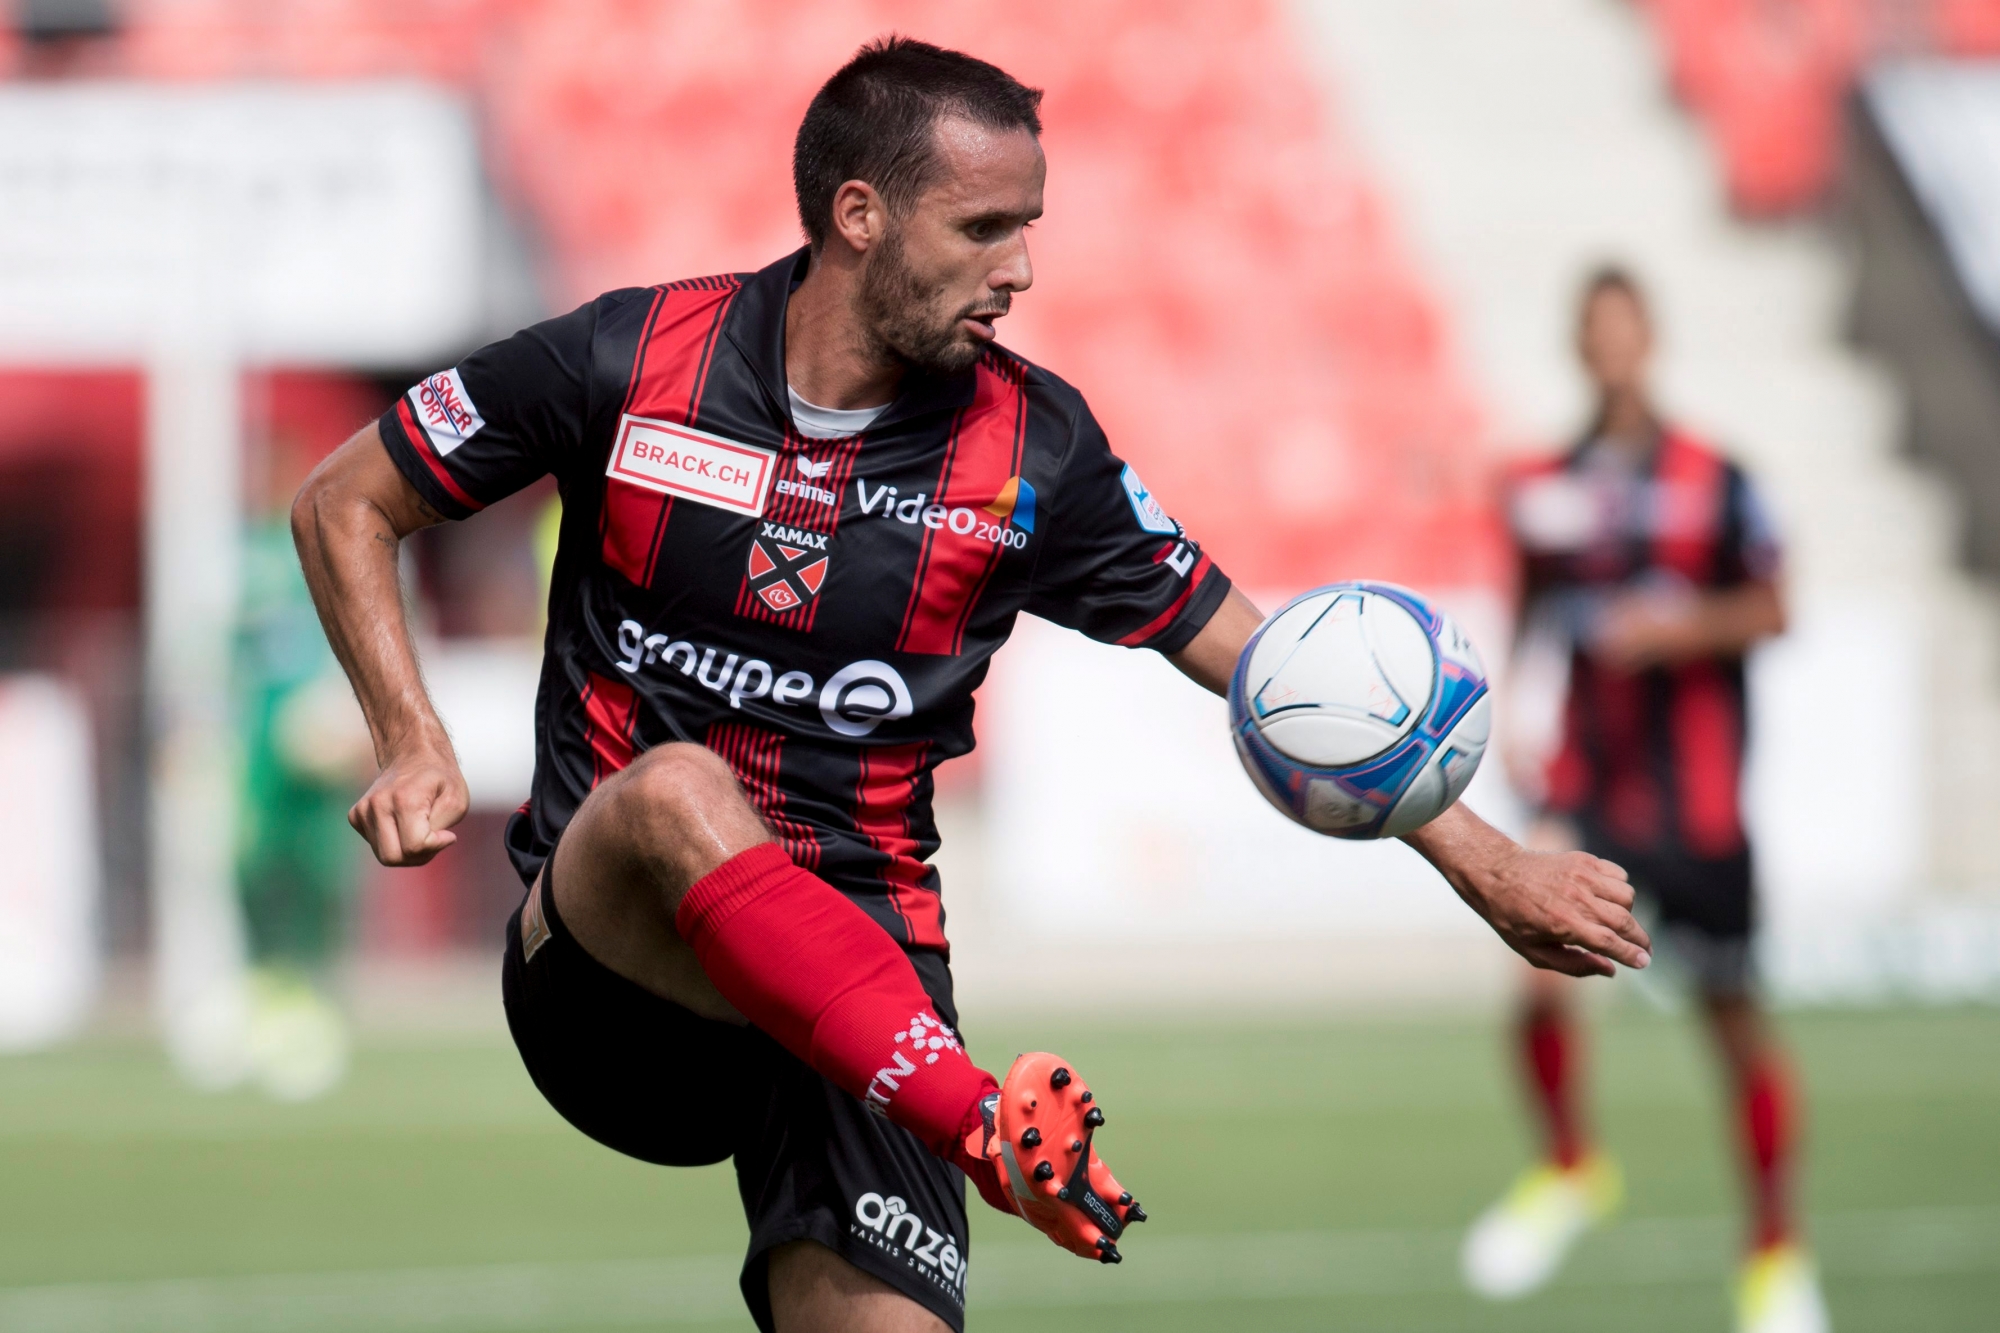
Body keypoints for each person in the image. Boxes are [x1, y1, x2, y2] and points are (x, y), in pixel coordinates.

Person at [294, 39, 1649, 1333]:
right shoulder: (627, 362)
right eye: (985, 229)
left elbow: (1268, 664)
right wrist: (410, 736)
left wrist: (1486, 860)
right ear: (861, 214)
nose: (1023, 270)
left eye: (1030, 226)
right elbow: (342, 500)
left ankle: (954, 1111)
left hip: (868, 984)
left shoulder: (1034, 451)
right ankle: (990, 1124)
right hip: (621, 979)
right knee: (675, 793)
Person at [1463, 267, 1826, 1333]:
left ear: (1647, 340)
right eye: (1591, 331)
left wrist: (1674, 630)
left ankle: (1770, 1249)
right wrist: (1515, 712)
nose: (1608, 347)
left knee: (1732, 1027)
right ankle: (1571, 1165)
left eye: (1622, 329)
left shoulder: (1717, 477)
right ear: (1579, 345)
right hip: (1591, 788)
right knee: (1534, 986)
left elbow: (1771, 608)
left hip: (1700, 808)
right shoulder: (1540, 484)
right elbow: (1526, 606)